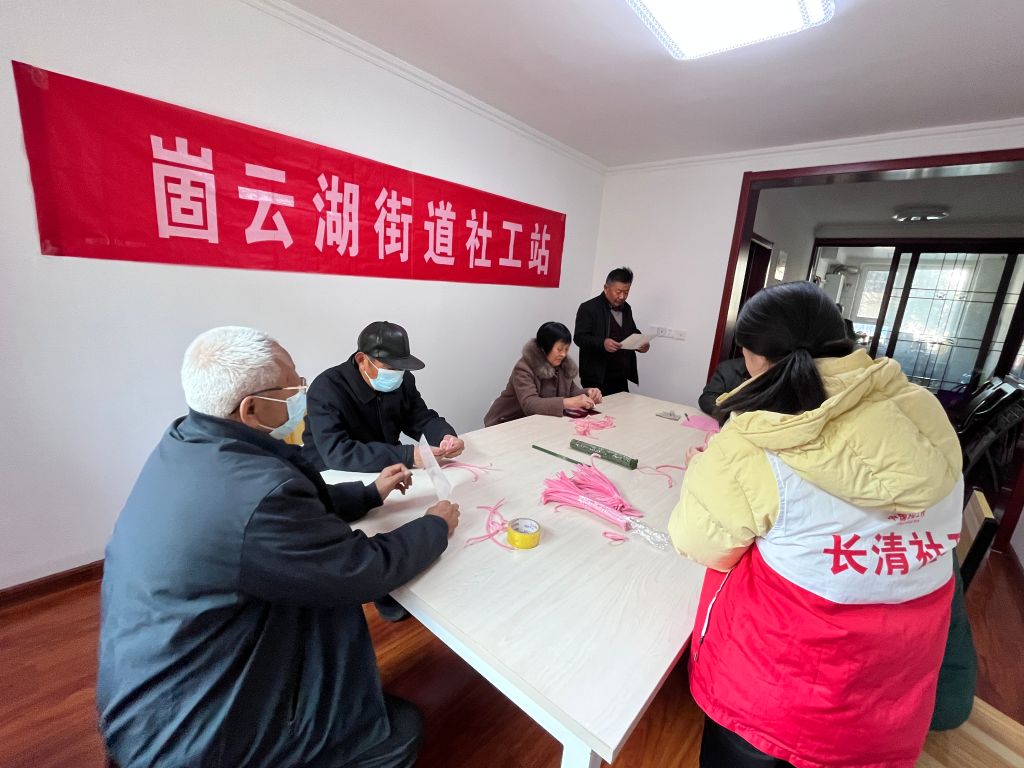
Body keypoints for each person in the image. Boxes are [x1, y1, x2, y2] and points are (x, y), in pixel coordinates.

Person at [97, 326, 460, 768]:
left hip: (153, 693)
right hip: (187, 739)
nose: (301, 395)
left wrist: (369, 493)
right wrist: (434, 526)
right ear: (251, 409)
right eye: (292, 388)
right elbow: (356, 570)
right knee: (398, 733)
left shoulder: (187, 442)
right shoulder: (260, 493)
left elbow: (292, 512)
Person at [668, 282, 963, 768]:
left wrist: (705, 472)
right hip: (890, 689)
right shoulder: (922, 414)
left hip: (776, 684)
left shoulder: (756, 434)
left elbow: (703, 545)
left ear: (756, 356)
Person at [302, 321, 464, 472]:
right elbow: (337, 452)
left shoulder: (403, 380)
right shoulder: (325, 389)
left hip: (386, 469)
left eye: (401, 367)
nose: (397, 374)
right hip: (331, 475)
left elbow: (420, 418)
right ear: (362, 360)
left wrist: (444, 436)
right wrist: (407, 455)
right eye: (390, 367)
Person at [484, 321, 602, 426]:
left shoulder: (563, 365)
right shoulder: (523, 368)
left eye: (566, 349)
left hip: (535, 423)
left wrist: (588, 393)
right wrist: (568, 402)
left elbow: (572, 392)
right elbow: (530, 404)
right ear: (544, 347)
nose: (563, 354)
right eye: (559, 349)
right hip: (506, 423)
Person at [574, 266, 649, 395]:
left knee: (623, 406)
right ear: (606, 288)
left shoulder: (626, 308)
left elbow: (631, 330)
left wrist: (640, 343)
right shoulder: (588, 308)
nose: (622, 296)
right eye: (618, 292)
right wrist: (602, 343)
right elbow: (579, 338)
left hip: (621, 374)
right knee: (599, 408)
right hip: (596, 376)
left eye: (626, 292)